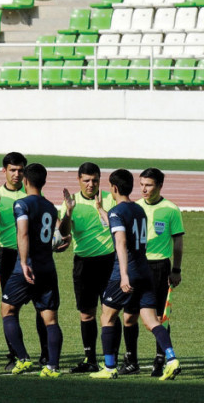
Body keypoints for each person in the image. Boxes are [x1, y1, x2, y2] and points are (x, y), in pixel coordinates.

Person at [90, 169, 180, 381]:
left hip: (125, 272)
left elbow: (121, 243)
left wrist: (123, 275)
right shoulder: (139, 210)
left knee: (106, 316)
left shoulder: (117, 212)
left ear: (114, 188)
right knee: (151, 320)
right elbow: (122, 226)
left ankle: (109, 367)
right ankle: (171, 359)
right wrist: (101, 210)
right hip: (145, 272)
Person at [0, 164, 64, 377]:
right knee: (50, 319)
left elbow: (23, 233)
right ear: (44, 182)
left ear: (25, 181)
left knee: (8, 310)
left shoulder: (22, 204)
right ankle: (52, 367)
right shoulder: (51, 207)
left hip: (26, 268)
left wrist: (24, 262)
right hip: (48, 268)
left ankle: (23, 358)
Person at [0, 152, 47, 370]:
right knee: (10, 308)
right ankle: (15, 356)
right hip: (9, 256)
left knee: (41, 307)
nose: (17, 174)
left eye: (21, 170)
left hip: (33, 256)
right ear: (4, 170)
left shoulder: (31, 193)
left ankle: (46, 355)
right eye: (12, 170)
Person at [57, 162, 115, 373]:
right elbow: (63, 233)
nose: (91, 184)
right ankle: (90, 359)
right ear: (79, 180)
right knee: (87, 314)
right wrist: (69, 212)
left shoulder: (110, 199)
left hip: (109, 262)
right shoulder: (70, 201)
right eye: (87, 180)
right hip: (84, 264)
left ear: (100, 180)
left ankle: (112, 359)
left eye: (95, 180)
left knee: (111, 313)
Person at [136, 168, 185, 377]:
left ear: (160, 186)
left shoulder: (171, 209)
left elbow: (178, 242)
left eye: (149, 185)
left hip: (159, 267)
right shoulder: (136, 207)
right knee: (130, 315)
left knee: (159, 316)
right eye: (141, 184)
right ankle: (130, 359)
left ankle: (160, 358)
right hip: (137, 266)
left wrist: (176, 269)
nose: (144, 189)